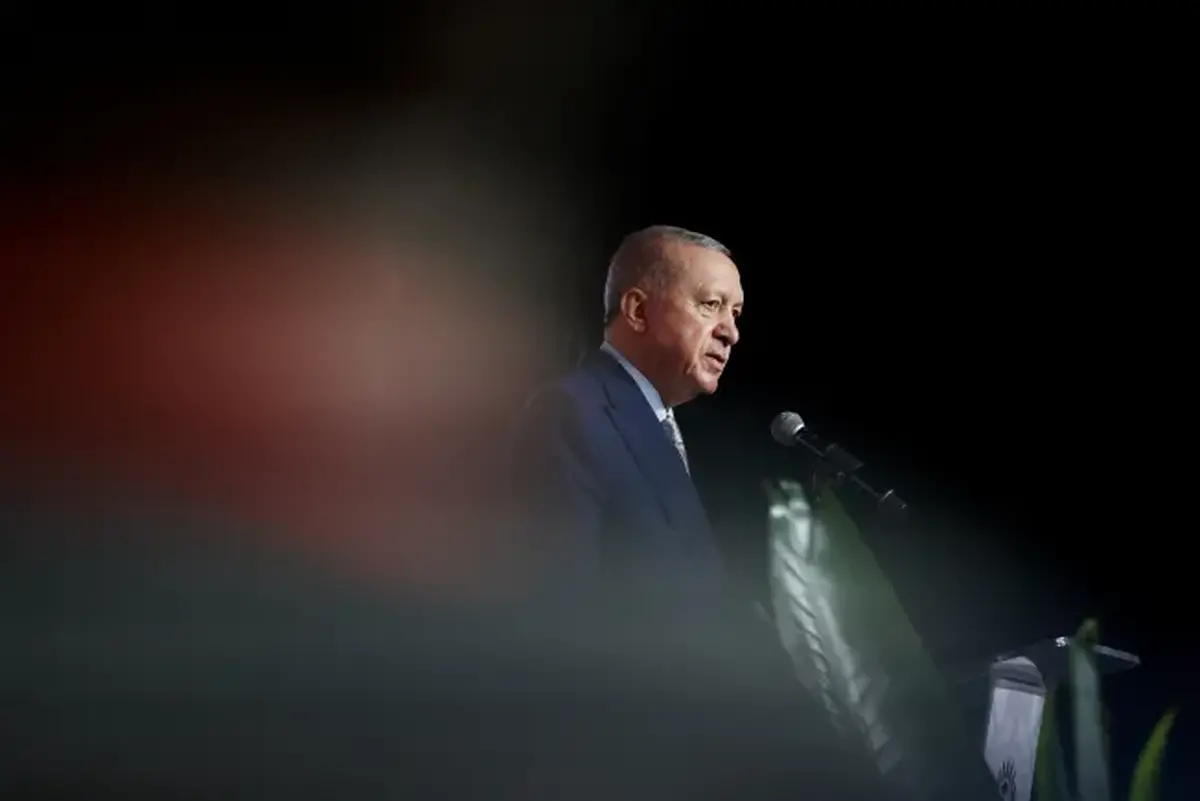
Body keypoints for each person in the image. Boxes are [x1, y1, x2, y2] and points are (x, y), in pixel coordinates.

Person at [509, 225, 743, 611]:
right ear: (637, 311)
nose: (731, 333)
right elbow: (556, 609)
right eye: (711, 304)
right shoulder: (569, 414)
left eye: (735, 314)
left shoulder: (677, 429)